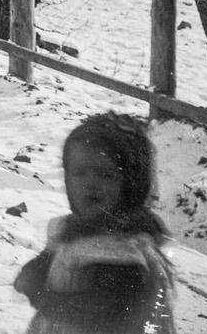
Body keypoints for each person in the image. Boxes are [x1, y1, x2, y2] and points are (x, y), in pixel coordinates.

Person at [13, 113, 175, 334]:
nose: (90, 183)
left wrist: (45, 299)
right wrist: (36, 271)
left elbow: (106, 311)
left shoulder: (123, 251)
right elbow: (56, 256)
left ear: (131, 184)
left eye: (106, 175)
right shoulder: (76, 229)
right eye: (80, 173)